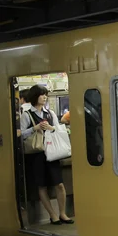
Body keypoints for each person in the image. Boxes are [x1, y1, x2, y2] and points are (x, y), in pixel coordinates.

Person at [19, 85, 73, 225]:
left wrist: (51, 128)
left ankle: (62, 213)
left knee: (59, 184)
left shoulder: (50, 113)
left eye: (45, 95)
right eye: (41, 94)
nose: (44, 97)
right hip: (36, 154)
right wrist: (34, 128)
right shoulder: (27, 115)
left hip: (52, 153)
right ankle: (53, 214)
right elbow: (20, 135)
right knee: (41, 186)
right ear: (34, 96)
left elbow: (59, 130)